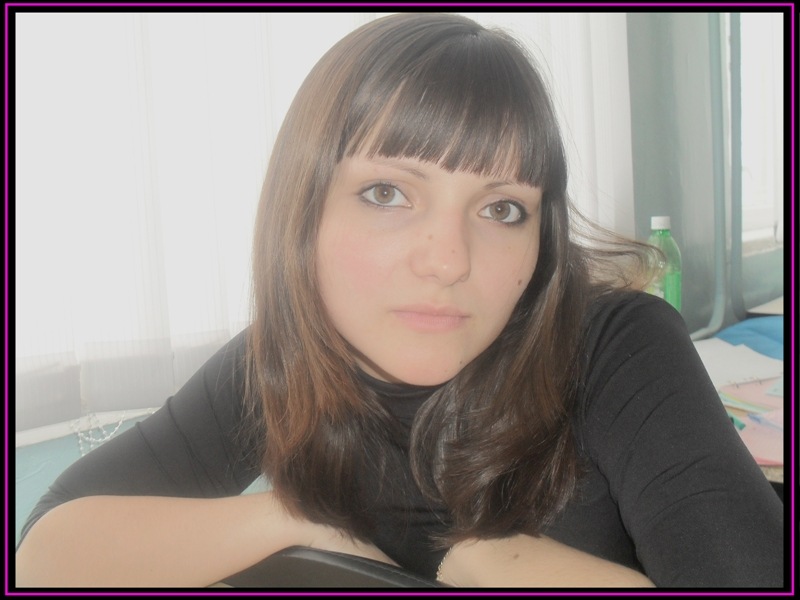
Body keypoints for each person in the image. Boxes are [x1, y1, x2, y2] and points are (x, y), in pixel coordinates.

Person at [15, 13, 783, 588]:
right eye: (387, 193)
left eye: (501, 209)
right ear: (304, 212)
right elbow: (45, 551)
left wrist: (502, 564)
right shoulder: (283, 359)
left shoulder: (617, 346)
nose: (448, 260)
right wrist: (294, 518)